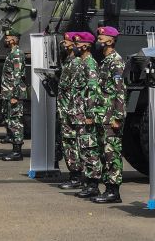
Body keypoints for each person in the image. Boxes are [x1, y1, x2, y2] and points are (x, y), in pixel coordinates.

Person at [91, 26, 127, 204]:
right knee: (104, 153)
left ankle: (114, 191)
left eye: (101, 38)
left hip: (111, 117)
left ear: (111, 41)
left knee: (112, 154)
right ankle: (108, 188)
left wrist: (117, 117)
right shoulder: (105, 61)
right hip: (102, 116)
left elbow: (120, 91)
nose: (98, 41)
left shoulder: (116, 62)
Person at [72, 32, 102, 198]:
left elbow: (92, 90)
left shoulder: (89, 64)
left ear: (85, 46)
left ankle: (93, 185)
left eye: (78, 43)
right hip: (79, 113)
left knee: (90, 148)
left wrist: (90, 113)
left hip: (86, 114)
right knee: (83, 148)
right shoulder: (82, 63)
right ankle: (87, 182)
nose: (75, 46)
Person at [57, 32, 84, 189]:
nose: (64, 44)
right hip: (67, 109)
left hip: (72, 110)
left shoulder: (76, 63)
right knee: (68, 142)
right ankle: (74, 175)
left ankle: (76, 177)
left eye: (66, 42)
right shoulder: (68, 61)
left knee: (73, 143)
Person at [0, 28, 28, 161]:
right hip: (9, 93)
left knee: (16, 122)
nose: (5, 40)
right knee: (11, 121)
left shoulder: (17, 54)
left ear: (14, 40)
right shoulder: (11, 53)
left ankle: (17, 151)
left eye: (7, 37)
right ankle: (14, 148)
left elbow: (18, 77)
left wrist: (15, 95)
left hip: (14, 94)